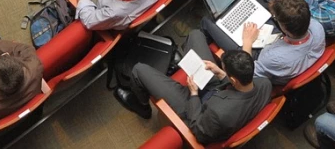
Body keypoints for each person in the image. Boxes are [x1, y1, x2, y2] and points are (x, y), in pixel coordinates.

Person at [116, 28, 272, 144]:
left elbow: (198, 130)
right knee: (196, 35)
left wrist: (193, 94)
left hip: (197, 107)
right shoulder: (265, 84)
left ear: (234, 79)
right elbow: (238, 85)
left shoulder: (218, 113)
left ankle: (142, 106)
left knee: (139, 69)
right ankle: (180, 63)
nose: (221, 68)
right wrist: (221, 74)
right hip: (218, 88)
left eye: (223, 67)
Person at [202, 0, 326, 85]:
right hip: (284, 51)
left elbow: (247, 73)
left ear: (285, 28)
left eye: (276, 18)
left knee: (208, 21)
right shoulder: (317, 28)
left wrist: (247, 41)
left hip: (258, 60)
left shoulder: (273, 58)